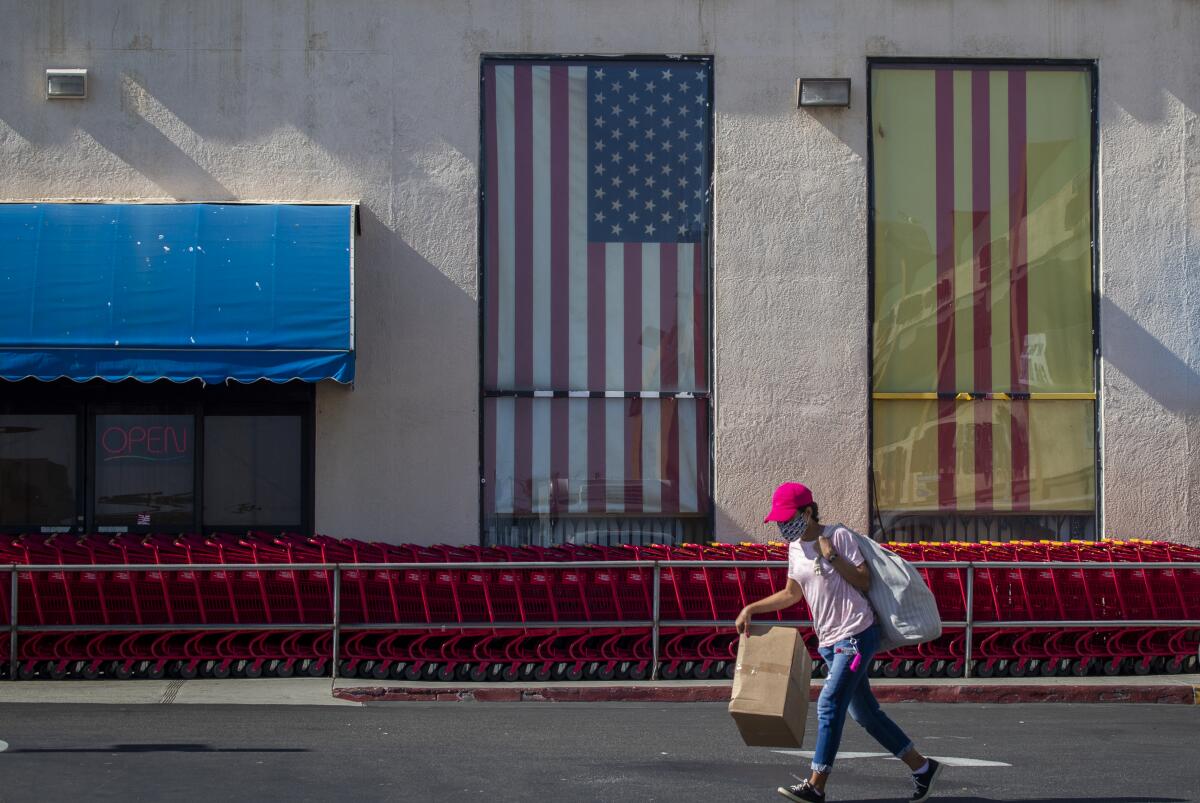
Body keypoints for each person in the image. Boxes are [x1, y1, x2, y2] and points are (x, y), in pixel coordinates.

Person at [735, 482, 944, 802]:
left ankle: (816, 785)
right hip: (830, 643)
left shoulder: (839, 536)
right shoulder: (794, 548)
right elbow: (792, 594)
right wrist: (752, 608)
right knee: (865, 714)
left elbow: (863, 580)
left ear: (807, 512)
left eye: (787, 518)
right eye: (778, 520)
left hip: (857, 638)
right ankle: (923, 768)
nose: (782, 526)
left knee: (830, 704)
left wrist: (831, 555)